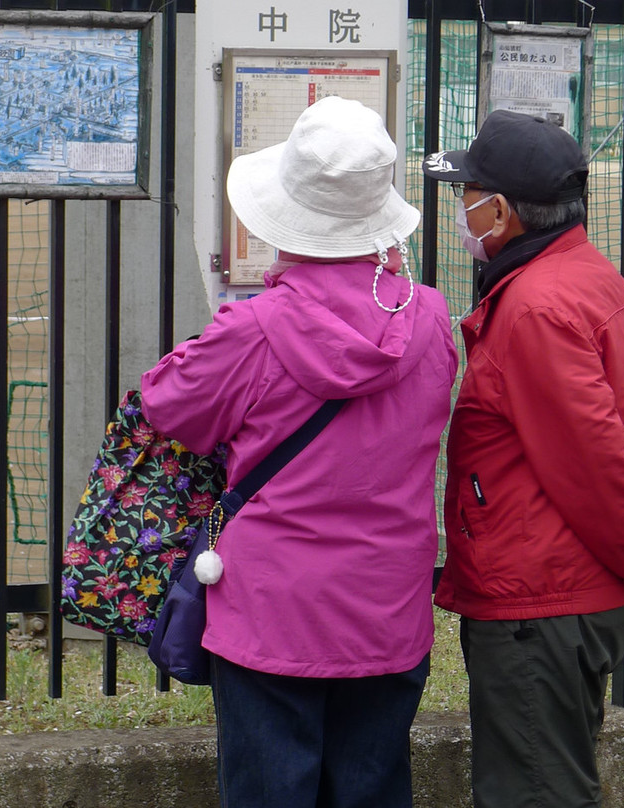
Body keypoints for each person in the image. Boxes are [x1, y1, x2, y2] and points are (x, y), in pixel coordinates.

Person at [141, 95, 458, 808]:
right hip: (387, 603)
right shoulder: (431, 318)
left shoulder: (252, 329)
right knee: (374, 785)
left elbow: (166, 404)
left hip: (271, 608)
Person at [422, 110, 624, 808]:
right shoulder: (595, 280)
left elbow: (595, 460)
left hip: (540, 603)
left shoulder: (535, 307)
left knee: (533, 793)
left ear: (500, 210)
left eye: (465, 195)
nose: (460, 210)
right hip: (574, 590)